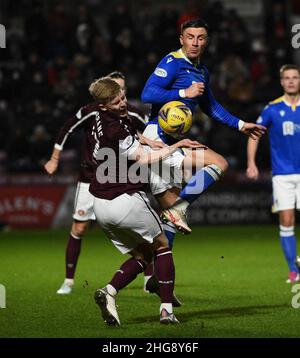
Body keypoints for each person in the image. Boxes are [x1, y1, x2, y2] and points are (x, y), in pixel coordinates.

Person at [87, 77, 202, 325]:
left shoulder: (101, 119)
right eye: (115, 102)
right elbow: (143, 159)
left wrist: (147, 139)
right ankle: (167, 310)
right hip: (124, 198)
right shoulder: (115, 128)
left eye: (123, 97)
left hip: (101, 204)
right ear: (104, 105)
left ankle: (109, 292)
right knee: (162, 245)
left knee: (142, 255)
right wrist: (178, 145)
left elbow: (131, 135)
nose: (122, 103)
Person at [141, 18, 265, 241]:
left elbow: (210, 106)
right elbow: (147, 94)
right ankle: (180, 207)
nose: (195, 42)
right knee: (219, 163)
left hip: (174, 139)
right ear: (182, 39)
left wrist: (240, 125)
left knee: (170, 222)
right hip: (158, 137)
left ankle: (156, 275)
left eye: (200, 38)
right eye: (190, 37)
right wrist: (182, 94)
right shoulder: (172, 62)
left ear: (206, 41)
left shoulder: (202, 71)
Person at [44, 72, 153, 295]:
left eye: (121, 90)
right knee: (79, 227)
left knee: (141, 232)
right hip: (89, 179)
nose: (120, 95)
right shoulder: (91, 111)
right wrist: (54, 158)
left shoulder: (134, 113)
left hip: (124, 182)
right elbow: (67, 128)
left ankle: (149, 279)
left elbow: (149, 135)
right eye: (114, 90)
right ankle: (69, 281)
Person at [246, 64, 300, 283]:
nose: (290, 81)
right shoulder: (272, 109)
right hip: (282, 175)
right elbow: (254, 134)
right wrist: (251, 163)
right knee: (287, 220)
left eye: (295, 77)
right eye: (286, 78)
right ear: (281, 81)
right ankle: (293, 271)